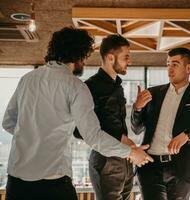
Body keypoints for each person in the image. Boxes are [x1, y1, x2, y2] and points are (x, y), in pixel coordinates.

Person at [2, 27, 152, 200]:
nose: (84, 63)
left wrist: (32, 136)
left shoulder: (27, 79)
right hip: (53, 181)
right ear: (78, 55)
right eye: (85, 57)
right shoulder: (75, 87)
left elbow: (8, 122)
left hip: (16, 182)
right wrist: (131, 152)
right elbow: (93, 137)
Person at [131, 47, 190, 200]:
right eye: (168, 64)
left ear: (188, 68)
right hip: (150, 165)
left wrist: (187, 136)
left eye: (175, 64)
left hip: (181, 168)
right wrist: (137, 108)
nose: (169, 69)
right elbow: (136, 128)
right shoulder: (153, 93)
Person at [73, 34, 139, 200]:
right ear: (111, 57)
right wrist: (124, 141)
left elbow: (117, 123)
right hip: (105, 161)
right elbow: (78, 130)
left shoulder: (118, 86)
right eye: (126, 57)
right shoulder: (88, 87)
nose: (129, 62)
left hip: (125, 159)